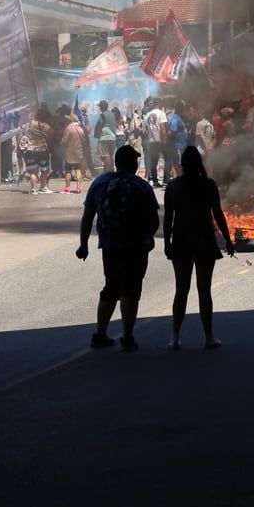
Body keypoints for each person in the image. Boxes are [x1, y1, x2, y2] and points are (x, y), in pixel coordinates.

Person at [77, 143, 160, 351]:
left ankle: (100, 334)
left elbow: (87, 217)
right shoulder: (141, 186)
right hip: (135, 246)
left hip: (109, 245)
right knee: (130, 290)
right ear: (133, 164)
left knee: (111, 288)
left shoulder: (100, 183)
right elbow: (153, 220)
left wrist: (83, 245)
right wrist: (148, 238)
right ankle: (127, 337)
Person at [162, 147, 233, 351]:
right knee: (205, 291)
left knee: (181, 291)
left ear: (182, 165)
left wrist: (167, 243)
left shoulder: (173, 186)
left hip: (181, 241)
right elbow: (218, 214)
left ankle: (174, 338)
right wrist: (228, 239)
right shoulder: (208, 184)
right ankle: (208, 337)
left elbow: (168, 219)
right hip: (204, 240)